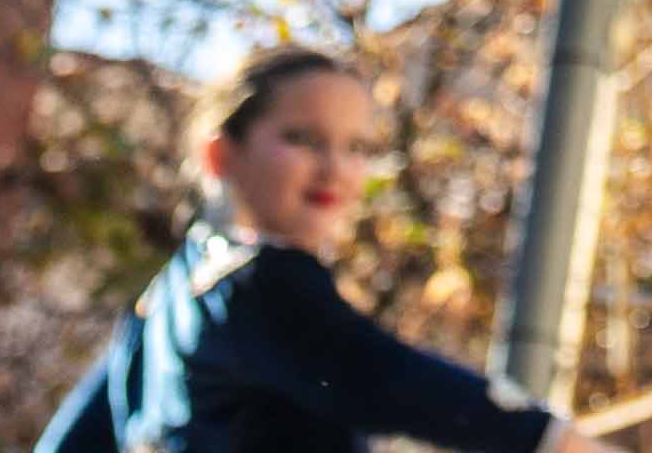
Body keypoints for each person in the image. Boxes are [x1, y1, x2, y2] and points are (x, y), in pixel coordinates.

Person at [36, 51, 593, 453]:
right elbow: (381, 376)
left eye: (356, 147)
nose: (335, 168)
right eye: (302, 138)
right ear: (221, 155)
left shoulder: (169, 293)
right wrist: (550, 437)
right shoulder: (256, 283)